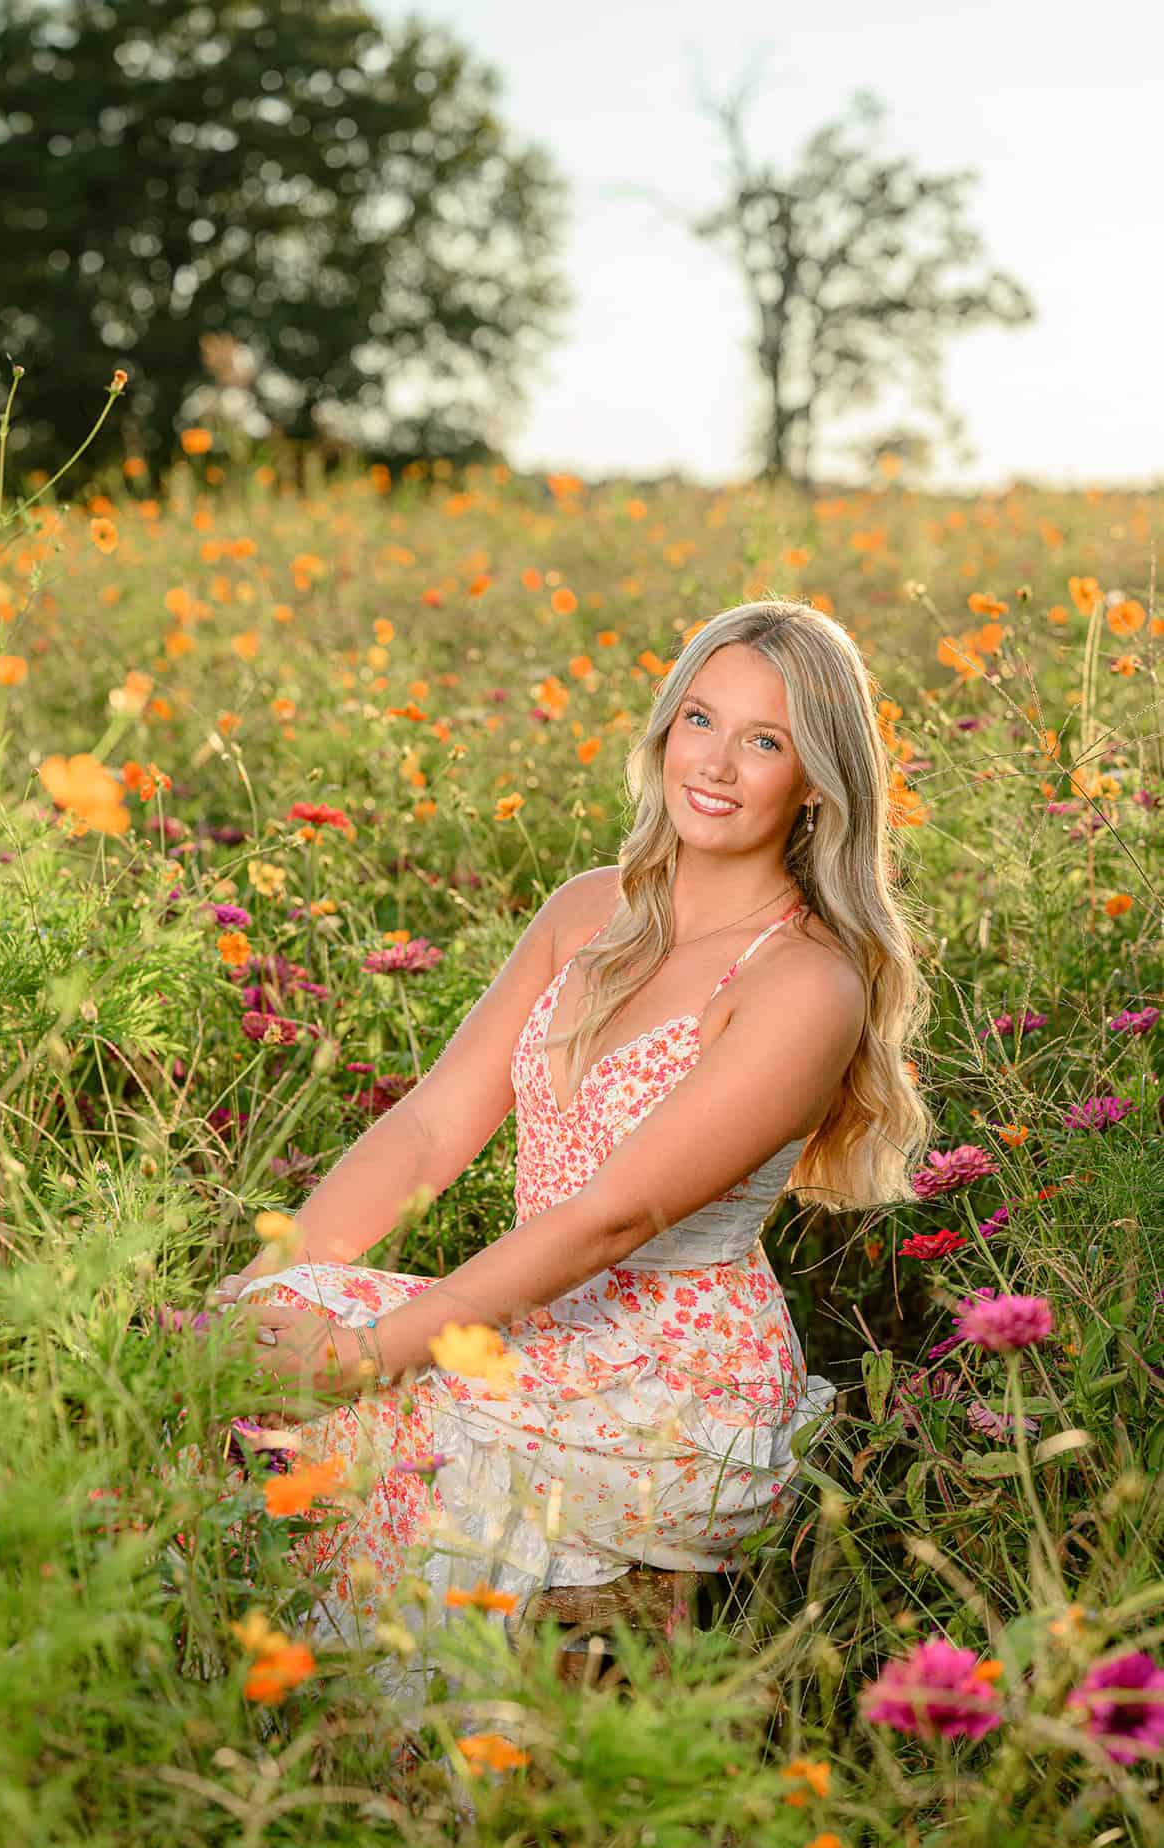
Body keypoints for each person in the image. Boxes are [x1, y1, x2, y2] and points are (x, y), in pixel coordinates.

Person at [209, 599, 932, 1685]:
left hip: (672, 1385)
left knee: (372, 1418)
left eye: (765, 740)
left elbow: (615, 1217)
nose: (719, 764)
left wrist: (360, 1357)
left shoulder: (803, 982)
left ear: (817, 779)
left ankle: (406, 1779)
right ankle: (229, 1720)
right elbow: (429, 1125)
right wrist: (284, 1273)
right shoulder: (588, 909)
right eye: (699, 719)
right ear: (662, 729)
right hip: (525, 1323)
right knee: (234, 1337)